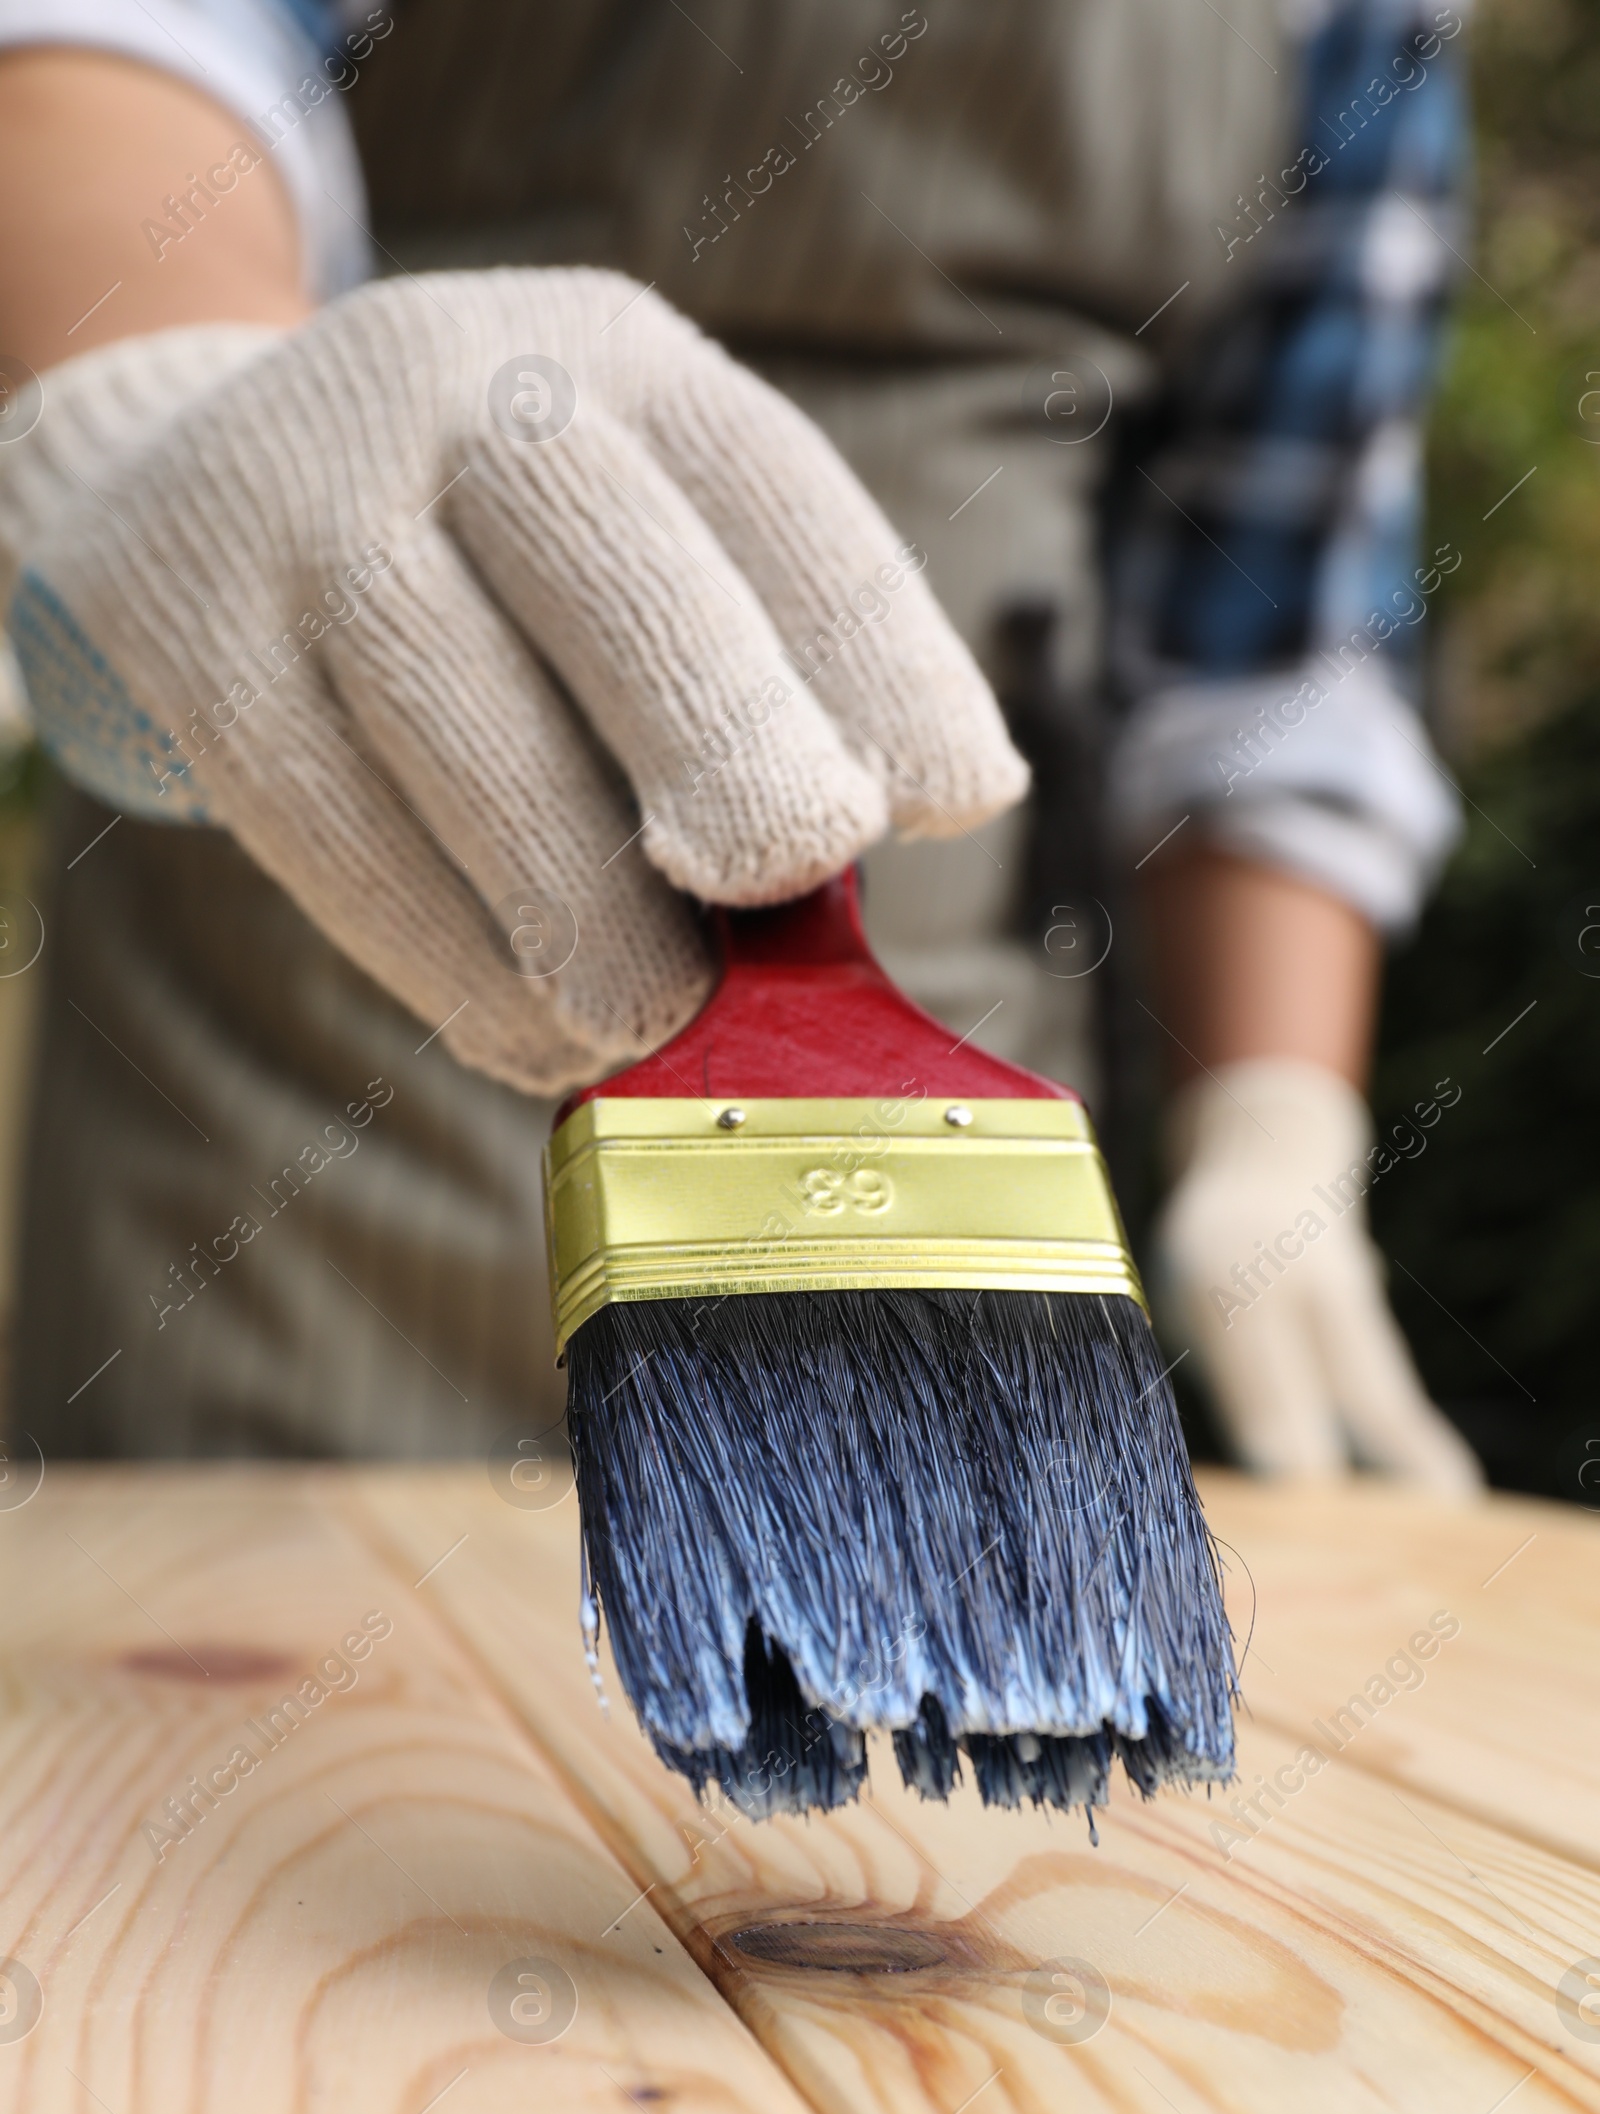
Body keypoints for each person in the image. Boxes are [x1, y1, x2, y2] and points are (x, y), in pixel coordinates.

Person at [0, 0, 1480, 1490]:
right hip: (314, 1025)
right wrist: (162, 394)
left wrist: (1274, 1127)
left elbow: (1275, 630)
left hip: (932, 1071)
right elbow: (137, 38)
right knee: (254, 1690)